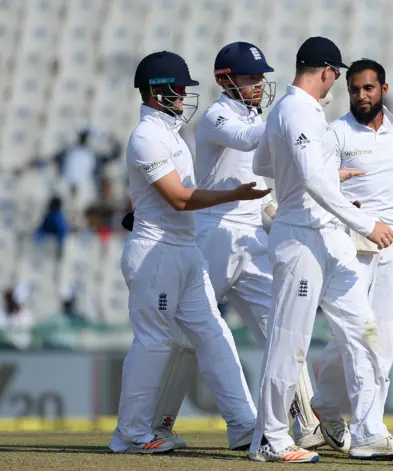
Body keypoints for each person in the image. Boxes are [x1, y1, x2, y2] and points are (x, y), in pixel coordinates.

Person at [248, 36, 393, 463]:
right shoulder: (295, 110)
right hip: (302, 237)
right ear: (326, 72)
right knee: (290, 342)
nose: (337, 83)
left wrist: (326, 175)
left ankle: (368, 433)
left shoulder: (299, 113)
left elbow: (265, 166)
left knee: (365, 333)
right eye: (338, 76)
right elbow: (309, 179)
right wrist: (366, 222)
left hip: (326, 234)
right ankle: (269, 438)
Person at [149, 42, 325, 451]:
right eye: (250, 78)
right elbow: (246, 140)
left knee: (281, 328)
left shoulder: (260, 116)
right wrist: (294, 113)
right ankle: (157, 424)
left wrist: (280, 221)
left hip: (251, 236)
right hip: (213, 232)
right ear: (224, 79)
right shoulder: (215, 116)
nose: (259, 85)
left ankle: (308, 423)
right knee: (191, 335)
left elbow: (263, 194)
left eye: (261, 77)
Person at [108, 50, 271, 454]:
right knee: (155, 342)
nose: (184, 95)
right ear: (155, 91)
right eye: (178, 89)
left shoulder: (173, 135)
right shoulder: (145, 136)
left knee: (214, 335)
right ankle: (131, 434)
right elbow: (178, 199)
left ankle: (242, 426)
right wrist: (234, 194)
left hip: (184, 250)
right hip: (157, 253)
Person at [312, 58, 393, 435]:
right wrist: (356, 217)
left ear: (383, 90)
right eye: (354, 89)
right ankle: (366, 426)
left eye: (368, 88)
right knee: (356, 332)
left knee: (381, 333)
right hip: (351, 236)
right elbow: (321, 186)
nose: (361, 95)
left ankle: (331, 408)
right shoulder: (336, 132)